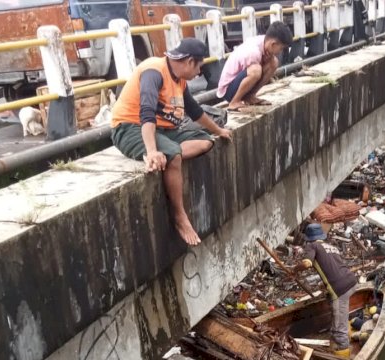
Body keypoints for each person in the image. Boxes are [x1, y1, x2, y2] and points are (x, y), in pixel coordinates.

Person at [111, 38, 232, 246]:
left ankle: (168, 154)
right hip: (130, 127)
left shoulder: (180, 80)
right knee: (174, 156)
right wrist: (151, 151)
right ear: (189, 62)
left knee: (206, 142)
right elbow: (146, 113)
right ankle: (179, 216)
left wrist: (219, 130)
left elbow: (195, 112)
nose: (198, 74)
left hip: (164, 130)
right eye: (199, 68)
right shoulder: (154, 71)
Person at [293, 223, 358, 358]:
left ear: (308, 238)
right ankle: (343, 326)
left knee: (340, 329)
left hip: (340, 289)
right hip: (352, 281)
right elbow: (335, 267)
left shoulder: (312, 246)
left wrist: (295, 269)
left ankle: (343, 351)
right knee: (332, 302)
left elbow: (306, 263)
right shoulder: (331, 247)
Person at [217, 21, 292, 111]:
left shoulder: (264, 42)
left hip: (240, 83)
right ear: (273, 44)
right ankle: (234, 102)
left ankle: (250, 97)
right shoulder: (253, 51)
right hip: (229, 90)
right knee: (256, 70)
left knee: (274, 62)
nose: (280, 51)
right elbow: (253, 72)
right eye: (281, 48)